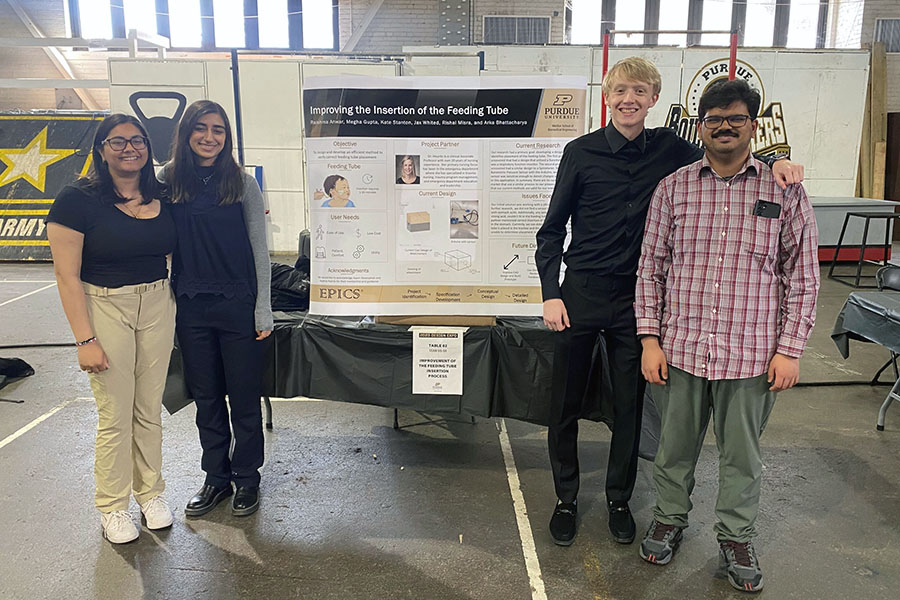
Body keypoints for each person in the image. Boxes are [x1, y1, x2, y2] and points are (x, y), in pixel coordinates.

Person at [534, 57, 804, 548]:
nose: (629, 99)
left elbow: (730, 149)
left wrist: (779, 164)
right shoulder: (580, 152)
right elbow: (550, 231)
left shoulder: (673, 151)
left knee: (629, 407)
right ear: (607, 97)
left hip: (636, 303)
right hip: (581, 293)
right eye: (620, 91)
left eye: (639, 91)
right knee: (565, 404)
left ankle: (619, 500)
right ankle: (566, 499)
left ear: (654, 98)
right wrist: (551, 293)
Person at [634, 79, 819, 593]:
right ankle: (669, 519)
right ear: (701, 126)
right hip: (682, 350)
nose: (724, 127)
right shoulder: (673, 188)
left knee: (742, 456)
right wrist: (650, 339)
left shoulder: (783, 191)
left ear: (753, 126)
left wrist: (790, 350)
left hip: (753, 355)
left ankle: (736, 536)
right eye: (713, 119)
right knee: (673, 449)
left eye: (735, 118)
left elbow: (802, 274)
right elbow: (651, 268)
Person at [46, 114, 177, 544]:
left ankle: (150, 494)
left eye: (137, 140)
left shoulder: (161, 193)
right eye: (117, 141)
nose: (129, 148)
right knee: (115, 413)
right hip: (105, 306)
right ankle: (112, 505)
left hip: (158, 302)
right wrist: (85, 339)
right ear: (101, 148)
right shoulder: (76, 200)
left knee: (148, 409)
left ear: (148, 147)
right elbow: (67, 276)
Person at [161, 100, 273, 518]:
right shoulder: (167, 181)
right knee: (206, 398)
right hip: (190, 307)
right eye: (201, 128)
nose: (210, 137)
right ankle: (216, 478)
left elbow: (261, 251)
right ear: (187, 133)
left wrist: (263, 309)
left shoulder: (242, 184)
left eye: (219, 130)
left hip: (238, 306)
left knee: (243, 398)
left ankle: (247, 479)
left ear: (227, 138)